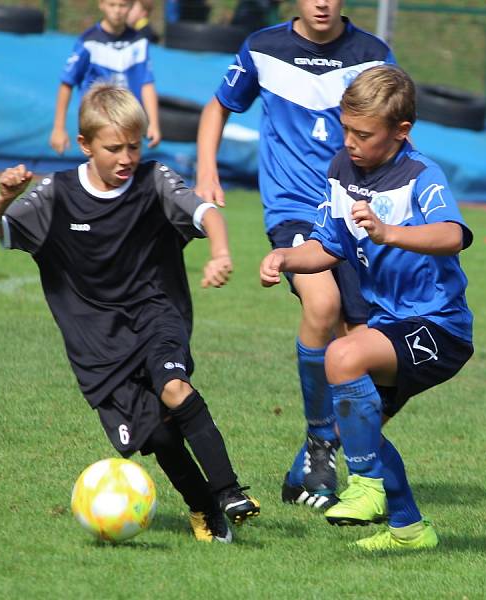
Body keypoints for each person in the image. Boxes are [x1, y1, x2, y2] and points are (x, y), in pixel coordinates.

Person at [0, 84, 259, 544]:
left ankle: (229, 493)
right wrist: (3, 198)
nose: (126, 157)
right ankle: (203, 508)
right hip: (97, 342)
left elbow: (208, 214)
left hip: (156, 313)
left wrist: (221, 253)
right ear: (85, 145)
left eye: (134, 145)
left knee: (173, 387)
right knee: (161, 438)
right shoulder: (56, 194)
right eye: (114, 148)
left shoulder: (155, 180)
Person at [260, 65, 475, 551]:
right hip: (388, 325)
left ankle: (366, 487)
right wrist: (287, 257)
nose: (351, 142)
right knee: (358, 422)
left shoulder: (421, 175)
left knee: (343, 357)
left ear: (401, 132)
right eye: (346, 129)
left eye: (364, 134)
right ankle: (408, 529)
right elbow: (329, 244)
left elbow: (452, 236)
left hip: (437, 327)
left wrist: (387, 232)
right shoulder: (342, 169)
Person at [197, 0, 395, 510]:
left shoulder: (373, 55)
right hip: (293, 211)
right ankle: (320, 440)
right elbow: (218, 104)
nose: (322, 3)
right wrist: (206, 170)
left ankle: (306, 464)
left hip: (355, 213)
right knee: (322, 305)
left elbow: (391, 132)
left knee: (364, 353)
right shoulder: (264, 47)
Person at [49, 0, 161, 154]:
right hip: (99, 120)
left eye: (122, 5)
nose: (117, 11)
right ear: (101, 4)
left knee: (127, 166)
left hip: (128, 119)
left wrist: (153, 123)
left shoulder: (139, 42)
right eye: (112, 5)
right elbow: (67, 83)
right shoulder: (89, 41)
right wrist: (59, 128)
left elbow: (147, 83)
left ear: (131, 6)